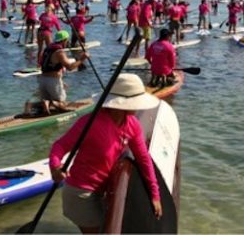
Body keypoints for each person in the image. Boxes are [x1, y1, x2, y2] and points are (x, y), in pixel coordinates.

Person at [48, 73, 163, 233]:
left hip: (103, 191)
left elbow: (143, 159)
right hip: (81, 193)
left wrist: (154, 194)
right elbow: (60, 146)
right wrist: (55, 167)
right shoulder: (90, 123)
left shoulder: (132, 124)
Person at [24, 30, 89, 116]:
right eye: (67, 40)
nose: (67, 42)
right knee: (62, 105)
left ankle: (35, 104)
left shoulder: (48, 49)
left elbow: (48, 66)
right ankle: (49, 103)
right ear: (64, 40)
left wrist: (61, 81)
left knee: (48, 103)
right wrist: (82, 59)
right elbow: (70, 67)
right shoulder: (59, 52)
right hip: (53, 81)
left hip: (42, 79)